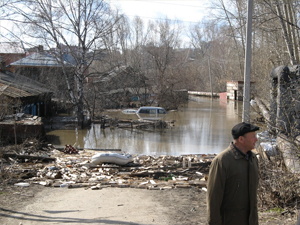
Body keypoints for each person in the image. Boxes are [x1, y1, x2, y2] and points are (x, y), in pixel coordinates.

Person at [207, 122, 260, 225]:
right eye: (253, 136)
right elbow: (213, 198)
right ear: (241, 139)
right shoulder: (222, 161)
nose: (256, 139)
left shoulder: (253, 159)